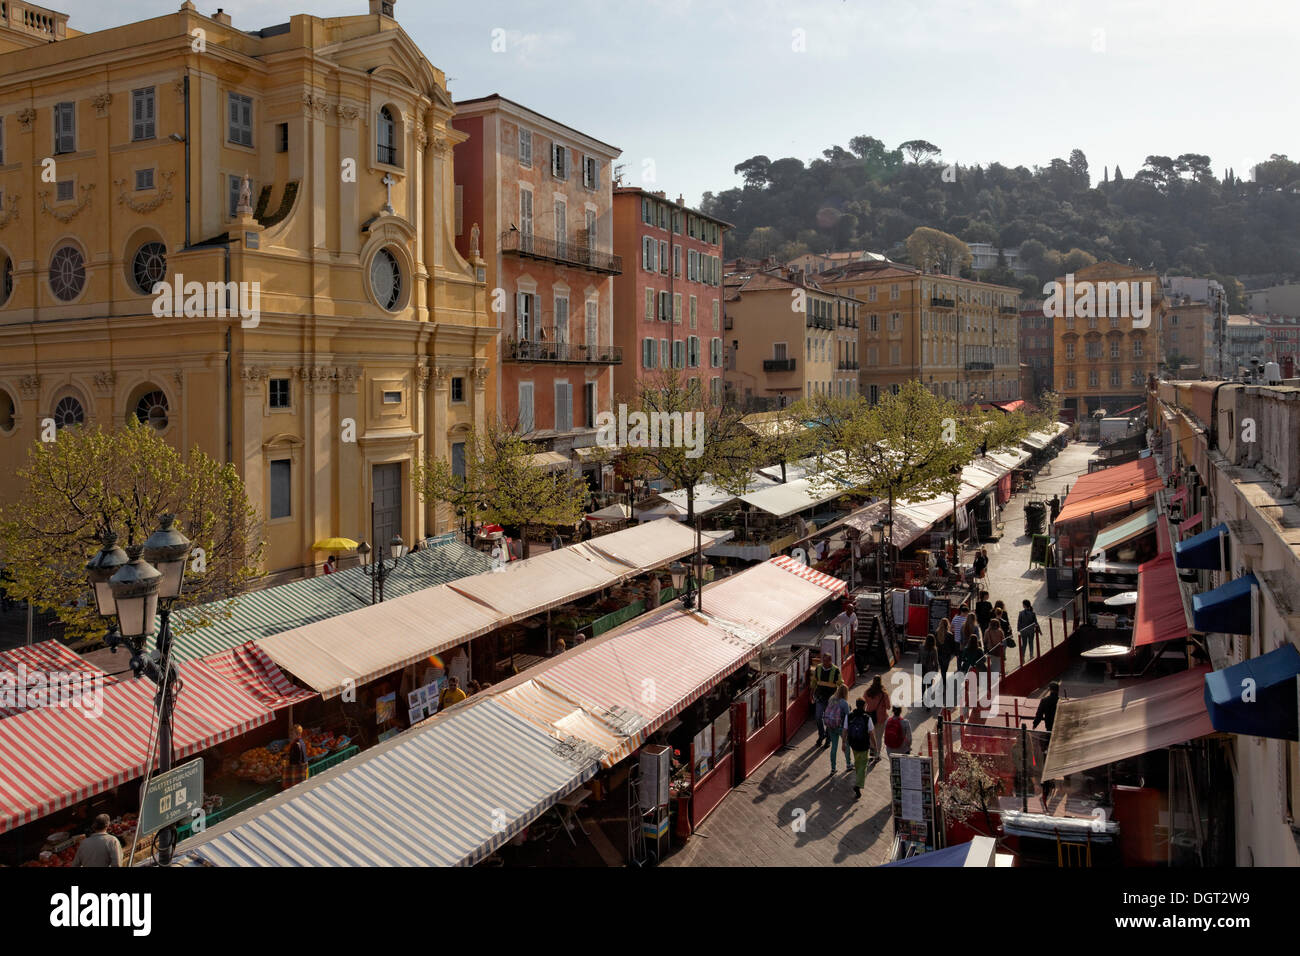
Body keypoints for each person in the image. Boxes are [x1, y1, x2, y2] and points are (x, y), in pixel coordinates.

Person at [810, 653, 841, 748]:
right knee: (818, 717)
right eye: (823, 661)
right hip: (820, 697)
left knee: (828, 719)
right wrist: (811, 694)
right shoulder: (818, 668)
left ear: (830, 661)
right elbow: (814, 681)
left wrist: (839, 698)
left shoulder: (836, 670)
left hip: (831, 700)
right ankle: (821, 734)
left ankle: (828, 739)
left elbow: (840, 684)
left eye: (826, 661)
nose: (824, 663)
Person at [845, 698, 874, 798]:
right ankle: (858, 785)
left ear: (856, 705)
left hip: (853, 744)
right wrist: (875, 746)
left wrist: (843, 743)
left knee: (858, 762)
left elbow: (845, 730)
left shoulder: (849, 716)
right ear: (864, 705)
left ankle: (858, 779)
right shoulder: (867, 718)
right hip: (864, 745)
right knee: (863, 766)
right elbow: (871, 733)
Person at [821, 684, 851, 774]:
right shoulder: (844, 703)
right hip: (841, 728)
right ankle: (848, 764)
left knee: (834, 747)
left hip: (831, 726)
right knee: (846, 745)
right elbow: (848, 716)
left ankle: (833, 768)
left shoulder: (831, 699)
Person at [862, 675, 890, 759]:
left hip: (870, 717)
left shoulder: (868, 692)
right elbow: (888, 707)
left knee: (871, 734)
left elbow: (864, 702)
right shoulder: (883, 694)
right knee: (879, 737)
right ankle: (877, 755)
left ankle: (872, 750)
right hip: (881, 718)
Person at [281, 724, 309, 790]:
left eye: (292, 734)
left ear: (298, 734)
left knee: (296, 787)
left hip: (299, 768)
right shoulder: (300, 741)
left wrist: (288, 760)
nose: (290, 736)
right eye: (290, 734)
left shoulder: (297, 744)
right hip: (303, 766)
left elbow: (297, 759)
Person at [919, 633, 940, 709]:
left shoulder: (921, 647)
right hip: (930, 669)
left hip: (923, 668)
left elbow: (918, 658)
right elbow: (936, 661)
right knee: (929, 686)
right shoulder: (934, 649)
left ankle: (923, 699)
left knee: (923, 684)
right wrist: (936, 671)